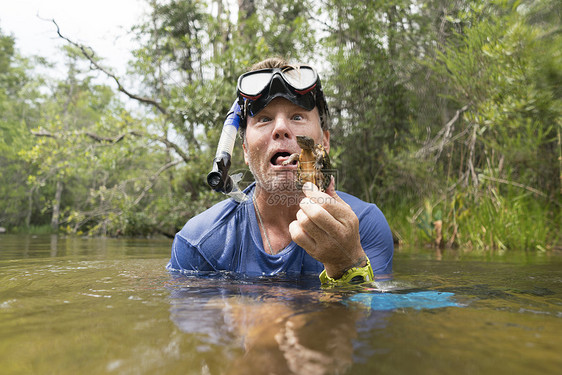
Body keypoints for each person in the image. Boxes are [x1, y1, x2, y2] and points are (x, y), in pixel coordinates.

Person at [167, 57, 393, 284]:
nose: (281, 128)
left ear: (324, 142)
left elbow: (372, 315)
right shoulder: (200, 242)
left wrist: (347, 263)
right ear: (245, 150)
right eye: (264, 119)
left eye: (297, 116)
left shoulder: (363, 225)